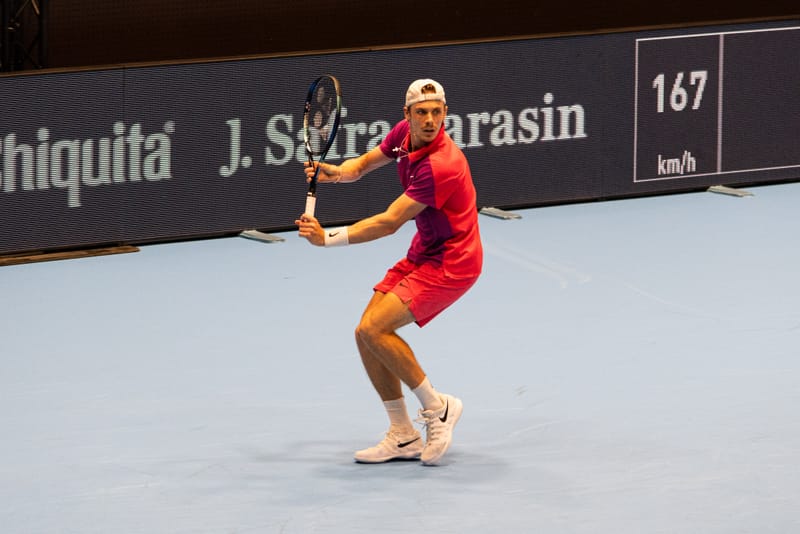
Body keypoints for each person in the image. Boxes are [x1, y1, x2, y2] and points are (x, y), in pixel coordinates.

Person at [295, 79, 483, 466]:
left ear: (445, 113)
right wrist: (337, 174)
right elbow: (363, 165)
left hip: (453, 261)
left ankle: (438, 407)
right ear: (407, 116)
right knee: (365, 334)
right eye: (422, 112)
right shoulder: (403, 136)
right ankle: (402, 435)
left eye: (436, 112)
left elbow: (388, 222)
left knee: (374, 328)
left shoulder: (441, 165)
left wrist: (327, 237)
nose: (430, 120)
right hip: (425, 251)